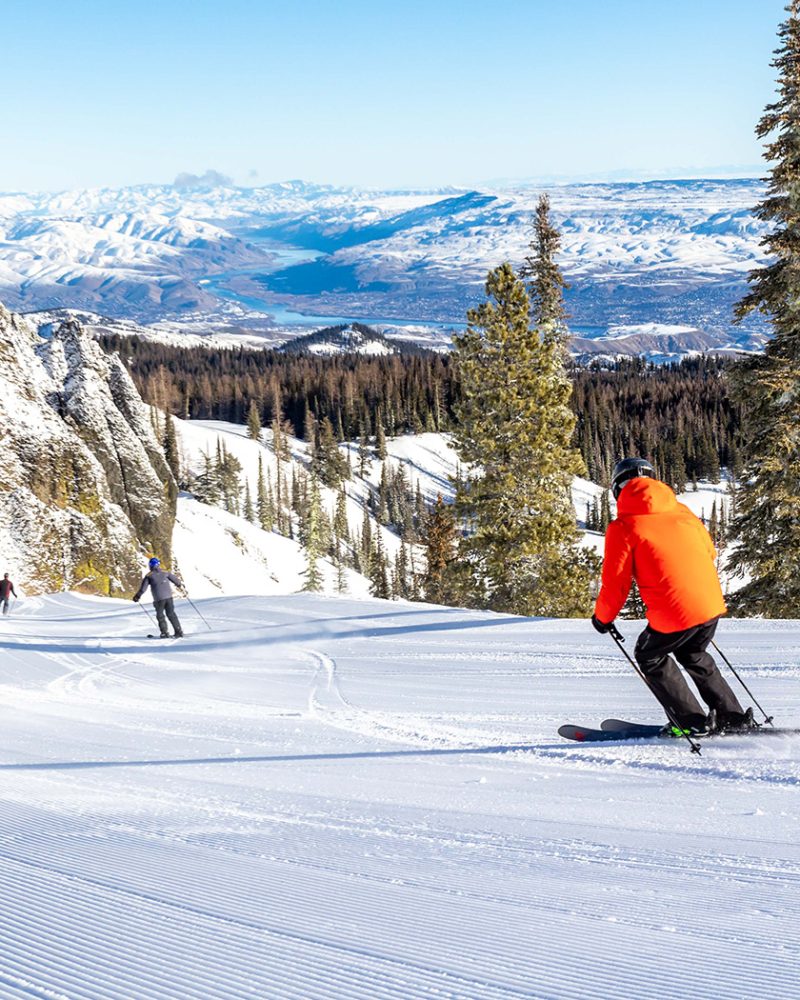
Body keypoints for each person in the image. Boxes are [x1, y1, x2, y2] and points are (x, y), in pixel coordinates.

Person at [591, 457, 754, 737]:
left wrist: (602, 618)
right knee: (693, 653)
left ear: (618, 489)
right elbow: (710, 552)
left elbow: (615, 584)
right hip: (710, 605)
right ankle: (732, 717)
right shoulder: (684, 513)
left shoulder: (624, 527)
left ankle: (691, 721)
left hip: (675, 612)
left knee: (649, 655)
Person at [133, 557, 185, 638]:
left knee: (160, 616)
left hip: (158, 599)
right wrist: (179, 584)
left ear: (150, 565)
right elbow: (176, 581)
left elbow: (143, 589)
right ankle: (178, 631)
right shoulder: (165, 572)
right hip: (169, 598)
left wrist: (137, 596)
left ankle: (164, 632)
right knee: (171, 614)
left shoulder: (149, 576)